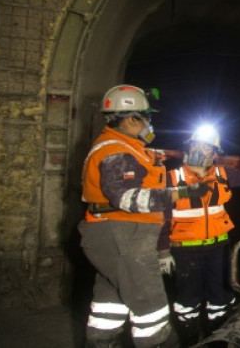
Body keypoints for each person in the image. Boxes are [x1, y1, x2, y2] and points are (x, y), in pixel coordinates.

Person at [81, 85, 208, 348]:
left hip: (115, 236)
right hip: (122, 236)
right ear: (131, 119)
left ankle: (102, 342)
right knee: (151, 309)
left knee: (109, 304)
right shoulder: (116, 151)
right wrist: (182, 193)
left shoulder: (128, 148)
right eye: (147, 117)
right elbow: (128, 199)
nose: (150, 124)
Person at [158, 124, 240, 345]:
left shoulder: (222, 174)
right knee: (188, 299)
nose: (201, 150)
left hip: (218, 247)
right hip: (185, 249)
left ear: (215, 153)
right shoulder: (171, 177)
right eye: (197, 145)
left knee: (220, 296)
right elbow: (162, 217)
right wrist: (163, 251)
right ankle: (188, 338)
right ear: (188, 148)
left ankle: (217, 337)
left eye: (207, 147)